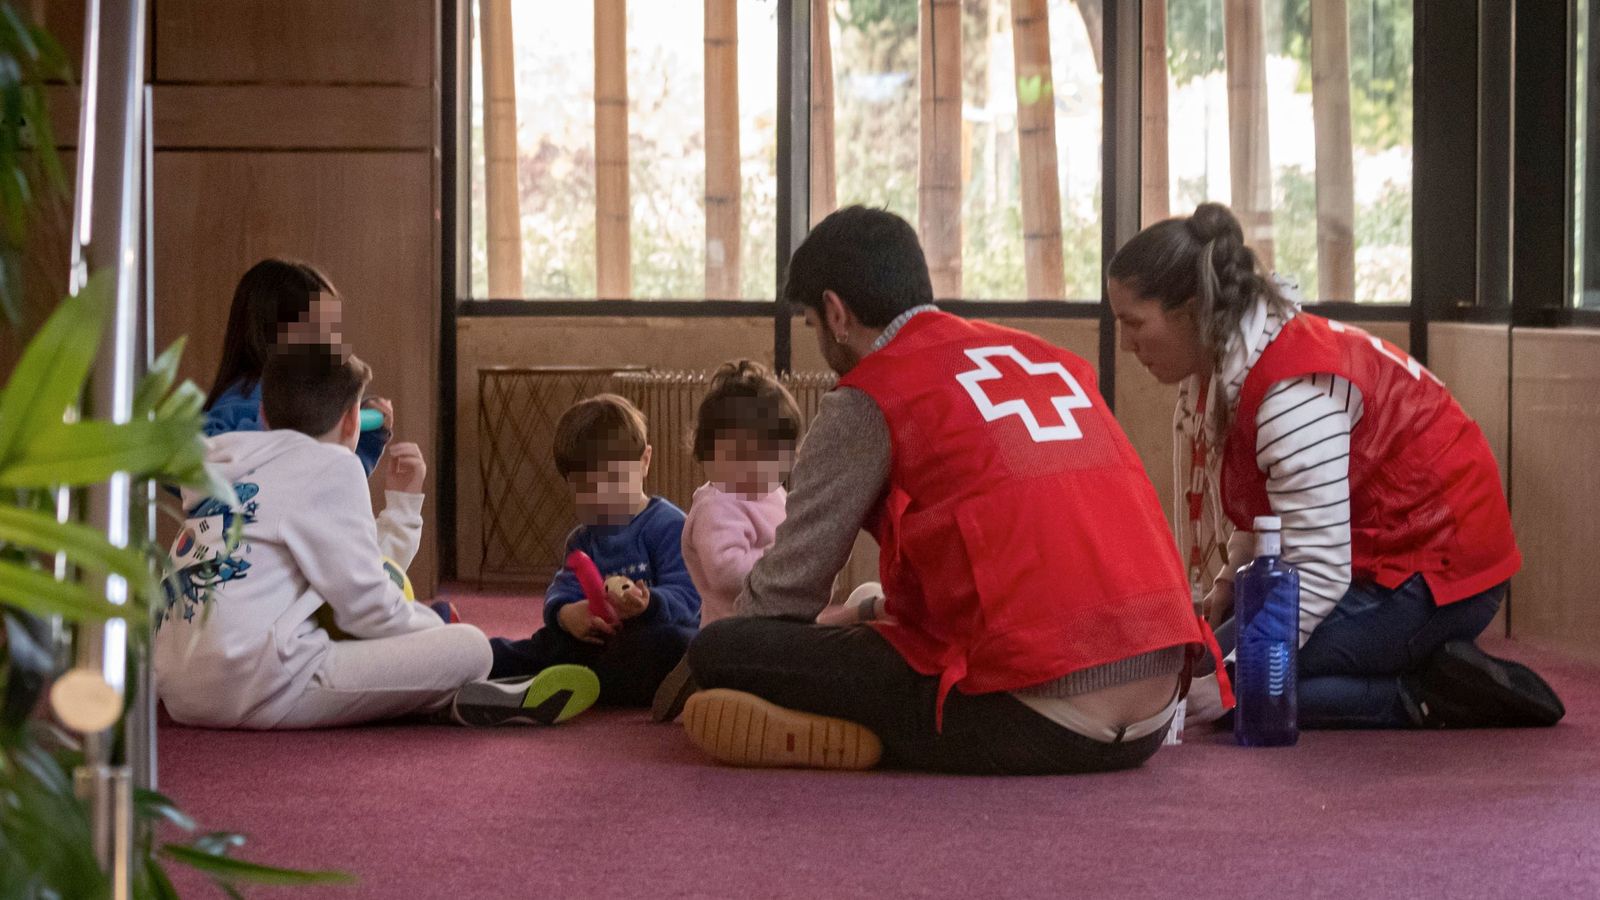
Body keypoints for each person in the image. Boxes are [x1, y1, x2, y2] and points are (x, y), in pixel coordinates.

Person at [682, 206, 1210, 774]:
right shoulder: (1053, 361)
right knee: (871, 611)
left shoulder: (871, 392)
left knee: (723, 648)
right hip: (1157, 713)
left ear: (835, 312)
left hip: (1035, 719)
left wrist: (734, 646)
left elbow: (782, 599)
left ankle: (843, 724)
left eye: (811, 324)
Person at [1107, 201, 1564, 730]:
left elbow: (1321, 569)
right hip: (1372, 558)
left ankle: (1426, 692)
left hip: (1439, 578)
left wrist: (1233, 682)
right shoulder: (1242, 354)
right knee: (1203, 666)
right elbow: (1269, 505)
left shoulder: (1291, 392)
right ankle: (1407, 662)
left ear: (1190, 312)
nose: (1127, 345)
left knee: (1253, 694)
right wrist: (1230, 583)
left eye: (1134, 324)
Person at [155, 343, 492, 729]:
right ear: (352, 421)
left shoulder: (221, 461)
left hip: (180, 691)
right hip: (261, 685)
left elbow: (351, 577)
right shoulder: (332, 465)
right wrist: (435, 632)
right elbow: (367, 606)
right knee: (473, 648)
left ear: (263, 415)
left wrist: (401, 511)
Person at [481, 394, 702, 718]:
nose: (601, 496)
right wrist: (568, 614)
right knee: (541, 645)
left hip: (648, 640)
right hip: (597, 645)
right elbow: (563, 591)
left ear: (644, 461)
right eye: (585, 487)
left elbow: (689, 596)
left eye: (613, 479)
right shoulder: (582, 539)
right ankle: (472, 661)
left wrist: (648, 603)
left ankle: (569, 683)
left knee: (677, 645)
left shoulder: (669, 525)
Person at [649, 360, 800, 722]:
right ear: (706, 454)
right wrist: (790, 559)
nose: (752, 468)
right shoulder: (718, 505)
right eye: (738, 456)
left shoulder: (775, 495)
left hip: (784, 621)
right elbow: (726, 571)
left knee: (858, 614)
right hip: (739, 635)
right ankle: (732, 709)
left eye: (767, 456)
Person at [204, 258, 391, 475]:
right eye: (320, 331)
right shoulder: (246, 405)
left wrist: (359, 427)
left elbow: (333, 477)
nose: (333, 344)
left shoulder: (297, 397)